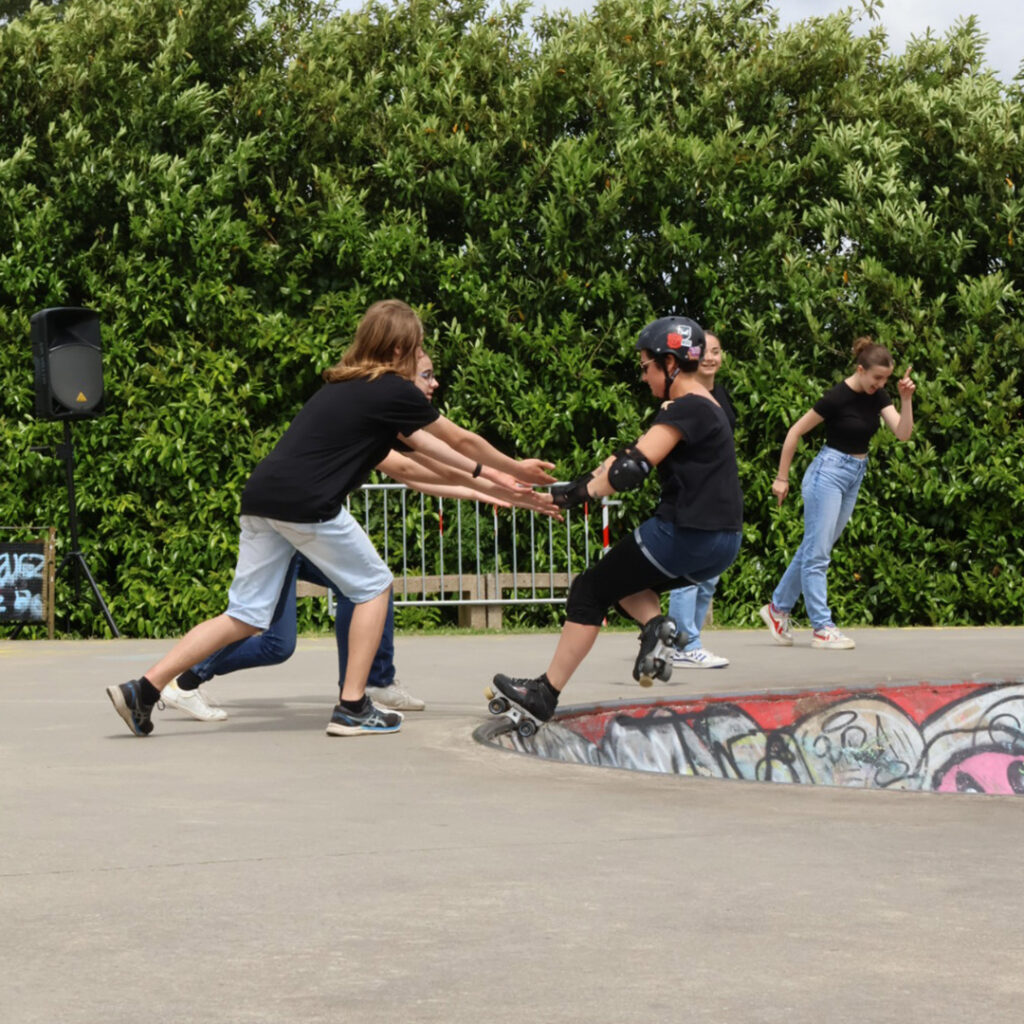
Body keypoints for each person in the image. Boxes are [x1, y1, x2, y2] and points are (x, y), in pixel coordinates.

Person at [107, 299, 555, 738]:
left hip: (262, 500)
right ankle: (353, 705)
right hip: (307, 504)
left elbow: (426, 465)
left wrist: (503, 488)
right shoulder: (390, 389)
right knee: (374, 585)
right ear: (398, 349)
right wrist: (515, 470)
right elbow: (458, 441)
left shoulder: (346, 391)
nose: (423, 368)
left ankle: (144, 689)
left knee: (245, 615)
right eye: (416, 349)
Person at [157, 351, 452, 719]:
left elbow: (431, 465)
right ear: (402, 375)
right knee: (285, 636)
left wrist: (497, 487)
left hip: (299, 527)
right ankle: (181, 681)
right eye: (426, 375)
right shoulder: (369, 406)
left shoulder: (383, 408)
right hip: (295, 530)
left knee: (364, 589)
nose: (433, 383)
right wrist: (496, 482)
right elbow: (410, 468)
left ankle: (368, 684)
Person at [490, 315, 744, 724]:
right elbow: (621, 459)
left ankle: (544, 693)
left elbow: (631, 470)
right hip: (722, 542)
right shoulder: (706, 404)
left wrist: (573, 497)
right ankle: (657, 627)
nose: (644, 377)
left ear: (670, 362)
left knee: (589, 590)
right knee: (622, 578)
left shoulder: (688, 407)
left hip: (687, 532)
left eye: (645, 367)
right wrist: (557, 491)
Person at [759, 337, 915, 650]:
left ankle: (777, 610)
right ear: (861, 369)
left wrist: (905, 400)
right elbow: (795, 431)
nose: (880, 384)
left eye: (885, 379)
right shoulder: (837, 397)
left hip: (853, 475)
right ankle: (822, 628)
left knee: (814, 547)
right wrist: (781, 477)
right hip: (826, 474)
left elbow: (903, 433)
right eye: (876, 378)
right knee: (818, 554)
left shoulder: (879, 395)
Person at [666, 331, 733, 669]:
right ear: (691, 357)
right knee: (689, 575)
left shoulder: (721, 395)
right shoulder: (679, 399)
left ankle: (688, 640)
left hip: (718, 501)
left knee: (708, 576)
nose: (711, 358)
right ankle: (682, 643)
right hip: (692, 501)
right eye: (704, 352)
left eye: (717, 352)